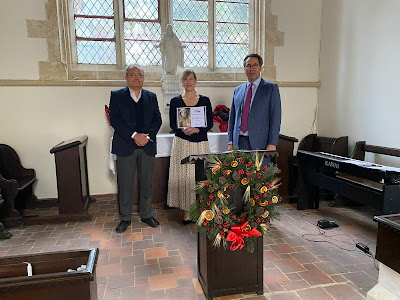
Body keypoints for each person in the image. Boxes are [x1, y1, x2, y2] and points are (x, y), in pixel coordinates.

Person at [108, 64, 162, 232]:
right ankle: (125, 218)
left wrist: (146, 137)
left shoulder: (151, 97)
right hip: (125, 145)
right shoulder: (116, 96)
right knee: (125, 184)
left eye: (140, 75)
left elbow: (157, 120)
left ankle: (146, 214)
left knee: (146, 182)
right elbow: (115, 120)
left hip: (147, 146)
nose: (137, 77)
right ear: (126, 78)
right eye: (132, 75)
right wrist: (134, 136)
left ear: (143, 78)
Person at [167, 69, 213, 224]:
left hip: (200, 143)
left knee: (200, 177)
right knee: (185, 177)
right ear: (182, 82)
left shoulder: (205, 100)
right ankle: (186, 213)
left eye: (191, 79)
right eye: (185, 79)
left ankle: (201, 211)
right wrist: (183, 129)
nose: (188, 82)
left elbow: (210, 122)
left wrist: (197, 129)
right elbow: (173, 123)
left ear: (196, 81)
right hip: (182, 143)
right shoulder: (175, 101)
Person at [227, 54, 281, 158]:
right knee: (239, 174)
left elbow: (275, 118)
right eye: (248, 65)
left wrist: (272, 143)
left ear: (260, 68)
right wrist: (230, 142)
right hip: (239, 142)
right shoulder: (237, 90)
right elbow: (232, 118)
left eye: (255, 65)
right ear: (244, 69)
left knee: (259, 174)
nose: (251, 68)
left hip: (261, 143)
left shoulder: (270, 88)